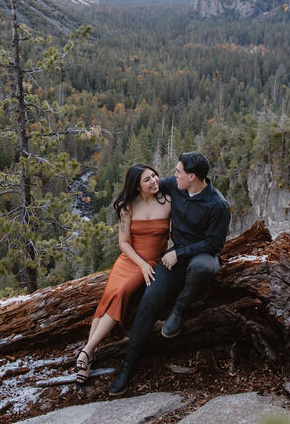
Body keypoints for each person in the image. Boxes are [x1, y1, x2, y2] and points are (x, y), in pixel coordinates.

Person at [108, 151, 231, 396]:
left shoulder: (218, 205)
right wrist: (125, 205)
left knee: (203, 267)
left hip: (201, 255)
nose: (172, 175)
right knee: (149, 301)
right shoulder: (175, 186)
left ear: (192, 176)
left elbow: (215, 244)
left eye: (178, 171)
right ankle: (127, 368)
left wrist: (181, 252)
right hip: (175, 257)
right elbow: (144, 186)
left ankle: (179, 310)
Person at [74, 163, 171, 384]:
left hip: (154, 259)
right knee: (110, 293)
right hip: (131, 259)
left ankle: (87, 351)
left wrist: (154, 263)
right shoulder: (127, 206)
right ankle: (88, 355)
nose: (154, 181)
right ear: (137, 186)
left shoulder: (168, 201)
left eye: (154, 176)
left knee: (124, 291)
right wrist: (142, 264)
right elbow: (123, 243)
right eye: (147, 180)